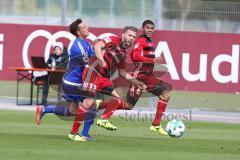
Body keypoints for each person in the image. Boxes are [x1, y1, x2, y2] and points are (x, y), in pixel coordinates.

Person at [97, 20, 173, 136]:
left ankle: (156, 125)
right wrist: (152, 60)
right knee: (128, 106)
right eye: (147, 28)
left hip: (149, 76)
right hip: (141, 76)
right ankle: (102, 111)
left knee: (165, 95)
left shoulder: (149, 41)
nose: (150, 30)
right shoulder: (141, 40)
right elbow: (135, 56)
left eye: (152, 28)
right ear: (142, 28)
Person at [36, 18, 97, 141]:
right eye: (84, 27)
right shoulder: (78, 47)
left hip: (71, 81)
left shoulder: (85, 42)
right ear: (78, 32)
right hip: (74, 83)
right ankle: (83, 134)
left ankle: (44, 109)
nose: (87, 28)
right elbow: (91, 65)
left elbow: (94, 57)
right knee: (91, 104)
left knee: (72, 111)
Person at [78, 26, 146, 131]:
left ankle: (103, 118)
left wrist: (137, 82)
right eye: (129, 35)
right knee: (86, 104)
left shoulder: (123, 54)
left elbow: (122, 72)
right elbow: (97, 46)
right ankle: (73, 133)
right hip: (92, 73)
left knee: (119, 99)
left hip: (103, 79)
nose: (132, 38)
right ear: (123, 35)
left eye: (134, 36)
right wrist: (101, 60)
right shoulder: (112, 39)